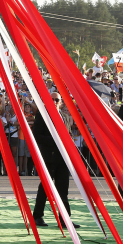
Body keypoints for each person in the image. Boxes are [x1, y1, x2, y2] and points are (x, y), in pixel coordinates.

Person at [31, 92, 78, 229]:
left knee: (63, 189)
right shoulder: (42, 115)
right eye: (51, 99)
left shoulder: (65, 116)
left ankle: (65, 219)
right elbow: (37, 135)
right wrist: (55, 141)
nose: (54, 101)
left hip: (63, 158)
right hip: (49, 157)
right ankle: (37, 216)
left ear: (61, 102)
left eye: (57, 100)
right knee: (45, 187)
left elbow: (68, 135)